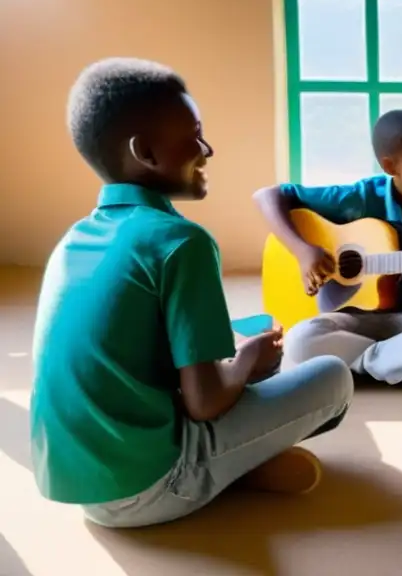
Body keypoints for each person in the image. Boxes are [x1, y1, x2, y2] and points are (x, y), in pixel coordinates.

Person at [30, 58, 353, 529]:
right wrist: (242, 365)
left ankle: (237, 457)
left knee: (256, 328)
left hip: (81, 484)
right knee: (332, 377)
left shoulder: (76, 237)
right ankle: (227, 468)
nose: (208, 149)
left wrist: (239, 355)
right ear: (146, 152)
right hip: (148, 485)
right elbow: (204, 404)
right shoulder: (182, 241)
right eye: (195, 135)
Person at [254, 109, 402, 399]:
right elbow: (267, 196)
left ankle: (356, 368)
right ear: (390, 166)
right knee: (297, 339)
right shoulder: (360, 198)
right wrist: (303, 252)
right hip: (354, 319)